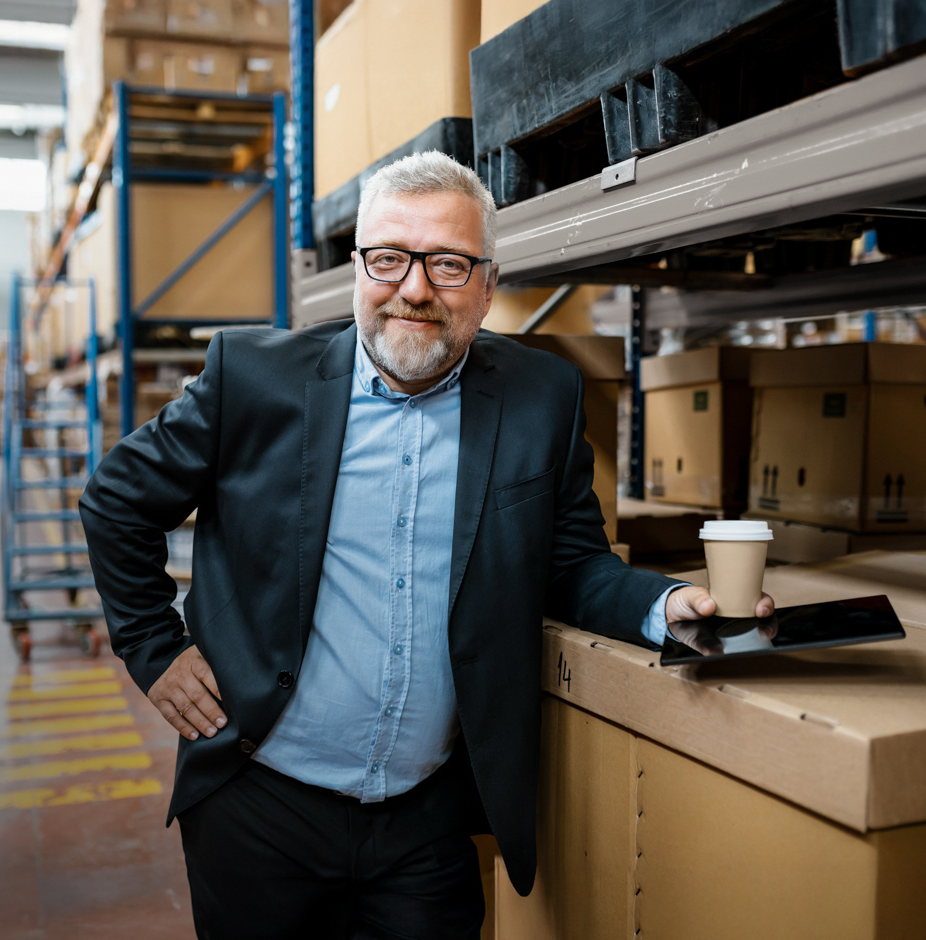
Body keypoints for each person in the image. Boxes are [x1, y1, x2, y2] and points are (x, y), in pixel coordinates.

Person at [79, 150, 774, 940]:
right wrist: (153, 648)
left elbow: (572, 565)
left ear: (487, 284)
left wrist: (667, 605)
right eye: (389, 258)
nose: (414, 288)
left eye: (447, 264)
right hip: (258, 804)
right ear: (358, 268)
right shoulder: (255, 380)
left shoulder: (539, 397)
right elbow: (115, 502)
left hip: (428, 821)